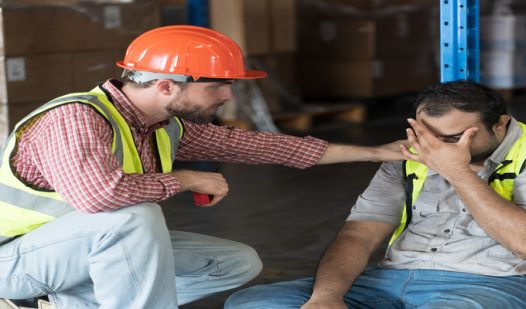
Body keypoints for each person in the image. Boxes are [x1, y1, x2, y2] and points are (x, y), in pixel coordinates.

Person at [0, 25, 405, 309]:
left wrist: (379, 152)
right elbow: (99, 196)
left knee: (235, 262)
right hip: (15, 260)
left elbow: (261, 146)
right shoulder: (76, 117)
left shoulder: (161, 124)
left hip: (74, 256)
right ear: (165, 86)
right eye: (217, 84)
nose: (229, 94)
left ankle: (62, 306)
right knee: (134, 217)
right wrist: (184, 178)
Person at [226, 80, 526, 309]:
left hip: (511, 282)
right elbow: (360, 234)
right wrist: (327, 296)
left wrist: (456, 170)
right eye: (428, 136)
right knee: (254, 303)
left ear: (500, 124)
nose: (436, 148)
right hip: (396, 279)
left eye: (456, 138)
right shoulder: (412, 152)